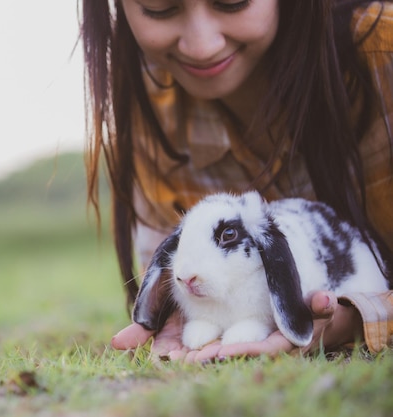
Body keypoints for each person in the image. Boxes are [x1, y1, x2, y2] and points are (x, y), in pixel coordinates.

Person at [80, 0, 393, 362]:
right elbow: (174, 270)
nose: (203, 46)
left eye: (233, 1)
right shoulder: (153, 112)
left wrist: (358, 316)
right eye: (158, 7)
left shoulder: (383, 54)